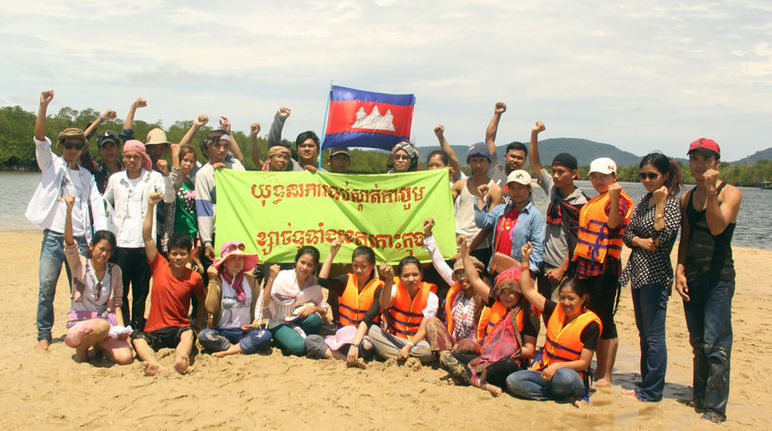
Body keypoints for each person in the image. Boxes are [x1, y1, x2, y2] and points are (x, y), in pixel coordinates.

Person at [26, 90, 106, 349]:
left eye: (77, 146)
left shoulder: (86, 176)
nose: (72, 149)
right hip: (53, 236)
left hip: (81, 240)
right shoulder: (52, 166)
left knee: (80, 289)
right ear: (61, 147)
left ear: (82, 149)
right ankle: (43, 334)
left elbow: (96, 207)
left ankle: (79, 328)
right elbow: (40, 138)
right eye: (68, 145)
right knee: (47, 285)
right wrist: (43, 106)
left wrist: (100, 238)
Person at [675, 138, 741, 424]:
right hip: (693, 275)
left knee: (717, 344)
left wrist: (712, 192)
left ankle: (715, 409)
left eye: (706, 158)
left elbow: (716, 227)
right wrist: (679, 270)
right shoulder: (687, 198)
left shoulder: (731, 193)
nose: (700, 164)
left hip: (719, 277)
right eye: (695, 158)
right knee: (698, 341)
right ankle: (699, 397)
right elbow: (686, 237)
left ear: (717, 163)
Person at [619, 153, 682, 402]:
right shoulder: (645, 199)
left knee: (654, 335)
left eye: (652, 175)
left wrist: (659, 209)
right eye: (643, 175)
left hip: (655, 276)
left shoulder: (671, 203)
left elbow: (662, 239)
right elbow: (627, 234)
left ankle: (652, 391)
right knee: (643, 332)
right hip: (638, 272)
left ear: (665, 176)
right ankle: (647, 382)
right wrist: (638, 241)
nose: (646, 180)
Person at [506, 242, 601, 405]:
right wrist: (524, 260)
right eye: (562, 298)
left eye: (571, 299)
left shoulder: (590, 325)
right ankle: (556, 396)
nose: (566, 303)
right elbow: (528, 291)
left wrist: (557, 366)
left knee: (564, 379)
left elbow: (584, 363)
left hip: (570, 376)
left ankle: (567, 393)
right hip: (546, 372)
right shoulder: (555, 309)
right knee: (513, 380)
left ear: (582, 299)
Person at [572, 157, 633, 387]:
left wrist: (615, 197)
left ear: (614, 177)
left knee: (604, 319)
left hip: (604, 267)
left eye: (603, 176)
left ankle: (605, 374)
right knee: (588, 316)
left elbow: (614, 225)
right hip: (586, 265)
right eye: (594, 176)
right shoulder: (596, 200)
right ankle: (592, 366)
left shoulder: (618, 199)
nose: (598, 181)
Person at [131, 193, 205, 375]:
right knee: (137, 339)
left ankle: (180, 360)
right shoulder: (158, 265)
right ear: (168, 254)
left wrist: (199, 326)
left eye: (182, 254)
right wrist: (150, 206)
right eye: (174, 254)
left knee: (188, 335)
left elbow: (201, 302)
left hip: (178, 329)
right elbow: (147, 236)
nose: (178, 258)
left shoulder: (194, 278)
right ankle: (152, 364)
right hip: (154, 330)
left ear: (189, 254)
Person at [103, 140, 173, 330]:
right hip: (121, 243)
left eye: (136, 156)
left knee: (141, 290)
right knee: (121, 290)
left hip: (145, 243)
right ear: (123, 158)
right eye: (128, 156)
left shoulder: (154, 178)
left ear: (143, 158)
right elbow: (105, 203)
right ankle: (124, 326)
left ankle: (137, 327)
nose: (132, 160)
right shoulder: (116, 179)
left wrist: (166, 174)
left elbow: (169, 198)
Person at [61, 195, 133, 365]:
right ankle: (83, 348)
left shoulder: (115, 271)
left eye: (108, 251)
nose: (104, 254)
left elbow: (116, 305)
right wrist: (69, 211)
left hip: (106, 325)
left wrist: (121, 330)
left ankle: (99, 345)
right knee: (101, 326)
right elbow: (69, 243)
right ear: (92, 247)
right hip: (80, 326)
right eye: (101, 249)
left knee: (126, 358)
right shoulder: (80, 264)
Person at [528, 121, 588, 300]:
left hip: (563, 268)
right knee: (545, 311)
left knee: (560, 311)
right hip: (543, 262)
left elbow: (579, 242)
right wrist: (534, 135)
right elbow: (535, 164)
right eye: (554, 171)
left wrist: (562, 270)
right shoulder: (553, 189)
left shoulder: (581, 202)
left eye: (561, 172)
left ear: (574, 173)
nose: (555, 176)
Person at [305, 239, 384, 367]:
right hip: (343, 335)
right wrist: (332, 254)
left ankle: (347, 354)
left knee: (367, 346)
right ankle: (345, 358)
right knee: (310, 341)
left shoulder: (379, 288)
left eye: (363, 266)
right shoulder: (346, 280)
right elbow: (322, 280)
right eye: (355, 266)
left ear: (372, 265)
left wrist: (355, 344)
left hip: (364, 337)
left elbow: (369, 318)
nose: (358, 270)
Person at [199, 241, 272, 357]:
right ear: (225, 262)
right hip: (222, 331)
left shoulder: (251, 281)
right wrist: (212, 280)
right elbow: (210, 308)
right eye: (233, 258)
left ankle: (229, 350)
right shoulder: (218, 280)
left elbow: (259, 306)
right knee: (204, 335)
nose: (238, 261)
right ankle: (238, 347)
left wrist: (255, 323)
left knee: (266, 335)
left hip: (245, 331)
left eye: (241, 258)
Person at [368, 256, 438, 365]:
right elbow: (384, 304)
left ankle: (398, 355)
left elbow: (423, 330)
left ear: (421, 276)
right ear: (400, 277)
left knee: (429, 352)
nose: (411, 279)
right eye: (406, 276)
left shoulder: (431, 297)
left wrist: (409, 346)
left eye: (415, 275)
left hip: (418, 343)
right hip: (395, 339)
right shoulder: (394, 289)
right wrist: (389, 280)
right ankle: (407, 357)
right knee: (372, 331)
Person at [474, 170, 545, 275]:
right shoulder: (501, 210)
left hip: (519, 274)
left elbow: (537, 250)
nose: (517, 192)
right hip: (496, 271)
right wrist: (480, 198)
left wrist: (526, 274)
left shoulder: (535, 216)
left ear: (529, 189)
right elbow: (482, 222)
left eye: (520, 188)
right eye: (513, 188)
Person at [261, 246, 327, 356]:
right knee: (300, 348)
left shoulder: (313, 282)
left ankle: (291, 337)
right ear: (296, 261)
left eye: (309, 265)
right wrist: (271, 279)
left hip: (297, 320)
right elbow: (265, 304)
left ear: (314, 267)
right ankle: (282, 338)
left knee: (315, 320)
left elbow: (323, 308)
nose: (304, 267)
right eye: (302, 262)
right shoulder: (282, 277)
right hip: (279, 321)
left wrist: (314, 308)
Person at [195, 129, 246, 261]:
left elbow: (246, 193)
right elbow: (203, 209)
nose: (222, 150)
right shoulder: (203, 174)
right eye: (217, 145)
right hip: (216, 232)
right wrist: (207, 241)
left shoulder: (237, 166)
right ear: (209, 147)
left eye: (226, 146)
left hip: (237, 228)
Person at [161, 115, 208, 252]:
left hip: (192, 235)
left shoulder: (193, 182)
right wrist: (196, 126)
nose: (188, 163)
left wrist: (199, 236)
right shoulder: (170, 179)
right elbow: (178, 149)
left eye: (191, 161)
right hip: (174, 236)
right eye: (185, 160)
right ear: (179, 161)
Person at [452, 143, 503, 265]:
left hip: (479, 247)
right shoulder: (460, 184)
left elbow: (488, 226)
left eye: (482, 160)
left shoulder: (495, 190)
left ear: (489, 162)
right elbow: (443, 204)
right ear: (469, 162)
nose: (478, 165)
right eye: (474, 161)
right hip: (455, 243)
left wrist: (468, 250)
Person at [483, 102, 525, 190]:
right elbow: (489, 140)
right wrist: (497, 114)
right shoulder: (495, 170)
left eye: (519, 158)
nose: (515, 160)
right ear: (505, 157)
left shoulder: (525, 183)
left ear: (525, 161)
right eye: (512, 156)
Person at [264, 106, 306, 171]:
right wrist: (280, 119)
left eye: (285, 157)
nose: (282, 160)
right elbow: (273, 143)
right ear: (270, 158)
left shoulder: (296, 170)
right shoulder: (264, 172)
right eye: (278, 156)